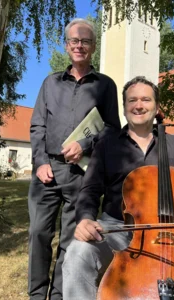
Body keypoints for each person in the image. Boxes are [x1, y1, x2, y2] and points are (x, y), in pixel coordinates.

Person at [62, 76, 174, 300]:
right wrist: (85, 218)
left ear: (157, 107)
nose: (138, 105)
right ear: (125, 107)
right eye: (132, 100)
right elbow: (90, 190)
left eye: (146, 99)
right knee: (78, 253)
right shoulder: (106, 145)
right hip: (117, 230)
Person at [28, 18, 121, 300]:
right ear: (67, 45)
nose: (79, 46)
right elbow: (37, 126)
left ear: (93, 47)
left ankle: (58, 295)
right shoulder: (50, 83)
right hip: (47, 171)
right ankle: (36, 295)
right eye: (74, 41)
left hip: (82, 172)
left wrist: (84, 144)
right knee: (38, 234)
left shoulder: (105, 85)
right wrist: (41, 161)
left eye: (86, 41)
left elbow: (112, 127)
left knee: (71, 238)